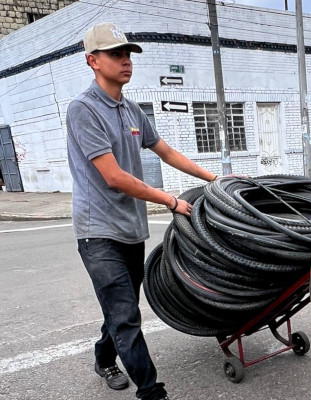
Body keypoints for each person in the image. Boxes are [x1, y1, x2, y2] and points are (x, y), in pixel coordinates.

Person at [66, 22, 218, 400]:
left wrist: (216, 179)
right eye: (116, 54)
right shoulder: (83, 110)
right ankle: (152, 392)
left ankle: (103, 358)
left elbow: (167, 152)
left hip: (130, 228)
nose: (125, 61)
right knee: (125, 314)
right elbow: (114, 177)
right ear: (93, 61)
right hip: (97, 231)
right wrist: (170, 200)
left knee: (121, 308)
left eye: (128, 54)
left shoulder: (132, 110)